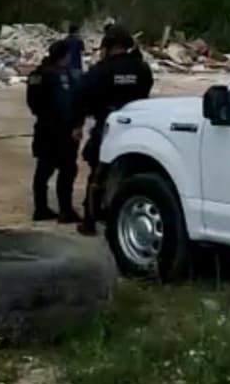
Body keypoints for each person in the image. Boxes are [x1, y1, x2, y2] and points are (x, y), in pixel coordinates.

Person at [74, 24, 154, 235]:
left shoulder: (101, 71)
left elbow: (84, 98)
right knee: (131, 174)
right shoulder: (142, 68)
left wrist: (79, 124)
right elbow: (146, 92)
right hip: (138, 128)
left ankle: (90, 221)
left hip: (108, 128)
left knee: (98, 175)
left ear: (107, 46)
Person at [25, 40, 83, 223]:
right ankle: (65, 210)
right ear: (65, 56)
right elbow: (65, 103)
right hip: (61, 130)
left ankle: (40, 208)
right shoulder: (59, 76)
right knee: (67, 169)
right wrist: (75, 125)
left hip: (42, 127)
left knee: (43, 170)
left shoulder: (36, 74)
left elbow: (32, 103)